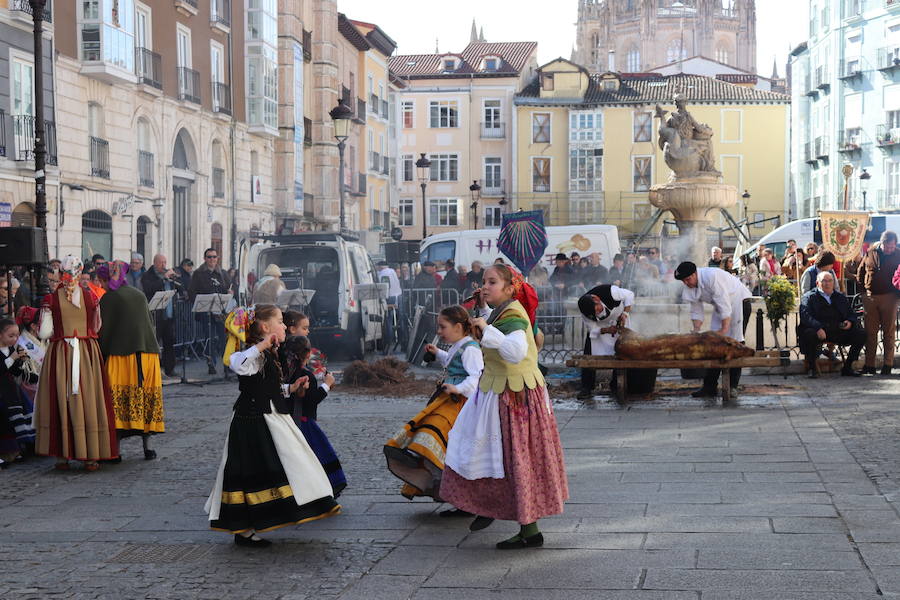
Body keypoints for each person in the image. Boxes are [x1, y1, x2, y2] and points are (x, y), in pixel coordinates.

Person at [441, 264, 568, 549]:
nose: (485, 286)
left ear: (510, 288)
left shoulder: (514, 313)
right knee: (499, 458)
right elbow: (497, 328)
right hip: (500, 393)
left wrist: (485, 327)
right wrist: (485, 312)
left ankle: (526, 528)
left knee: (515, 461)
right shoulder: (502, 311)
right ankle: (509, 519)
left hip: (515, 397)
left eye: (492, 282)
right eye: (484, 281)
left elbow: (515, 351)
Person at [204, 304, 340, 547]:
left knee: (291, 461)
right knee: (251, 473)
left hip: (268, 416)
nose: (284, 325)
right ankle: (245, 529)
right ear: (266, 327)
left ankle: (267, 518)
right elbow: (236, 364)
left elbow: (267, 388)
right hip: (251, 421)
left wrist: (292, 388)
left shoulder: (268, 354)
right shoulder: (253, 352)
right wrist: (262, 345)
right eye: (279, 321)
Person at [384, 305, 483, 503]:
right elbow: (452, 361)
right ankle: (433, 472)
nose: (439, 331)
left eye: (442, 327)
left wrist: (458, 389)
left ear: (457, 327)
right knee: (433, 432)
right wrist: (438, 353)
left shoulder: (471, 349)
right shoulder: (459, 345)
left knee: (434, 430)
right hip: (448, 399)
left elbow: (475, 377)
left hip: (459, 404)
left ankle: (434, 469)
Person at [33, 255, 119, 471]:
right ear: (80, 272)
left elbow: (45, 331)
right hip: (86, 352)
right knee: (88, 398)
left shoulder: (51, 299)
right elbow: (96, 327)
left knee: (61, 398)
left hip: (61, 352)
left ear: (61, 272)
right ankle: (90, 456)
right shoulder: (91, 297)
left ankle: (63, 457)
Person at [97, 261, 165, 460]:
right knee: (144, 399)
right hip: (147, 356)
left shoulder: (109, 298)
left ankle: (115, 450)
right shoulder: (138, 294)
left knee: (117, 401)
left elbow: (104, 331)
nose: (100, 285)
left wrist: (99, 354)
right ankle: (148, 447)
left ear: (107, 279)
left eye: (101, 281)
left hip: (122, 356)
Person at [674, 261, 752, 400]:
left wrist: (724, 330)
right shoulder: (690, 285)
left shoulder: (712, 276)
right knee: (713, 345)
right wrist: (696, 330)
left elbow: (724, 303)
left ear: (694, 274)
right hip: (721, 307)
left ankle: (732, 386)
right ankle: (709, 387)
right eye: (683, 281)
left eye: (687, 279)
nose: (686, 283)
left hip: (738, 302)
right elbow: (696, 309)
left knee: (734, 342)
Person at [280, 335, 345, 497]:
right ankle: (324, 488)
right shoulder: (305, 374)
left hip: (288, 421)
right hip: (305, 422)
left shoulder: (285, 371)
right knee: (319, 454)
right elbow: (312, 401)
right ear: (308, 354)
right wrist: (327, 384)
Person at [799, 271, 865, 379]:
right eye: (824, 281)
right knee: (809, 334)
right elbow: (806, 315)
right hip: (820, 331)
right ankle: (812, 368)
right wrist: (818, 327)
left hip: (837, 329)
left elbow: (851, 313)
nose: (827, 283)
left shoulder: (839, 297)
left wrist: (850, 321)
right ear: (817, 283)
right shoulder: (809, 297)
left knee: (861, 334)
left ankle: (848, 367)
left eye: (830, 281)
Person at [577, 284, 634, 399]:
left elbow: (629, 295)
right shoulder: (586, 312)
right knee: (589, 355)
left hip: (618, 318)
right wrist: (606, 330)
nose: (598, 313)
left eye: (597, 309)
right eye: (595, 313)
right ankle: (586, 387)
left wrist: (625, 313)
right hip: (600, 328)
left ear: (596, 299)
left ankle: (615, 385)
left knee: (621, 353)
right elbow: (592, 329)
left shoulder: (610, 291)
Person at [861, 231, 900, 376]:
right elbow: (861, 272)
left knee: (889, 332)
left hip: (890, 297)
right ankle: (869, 365)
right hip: (871, 297)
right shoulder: (871, 252)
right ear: (881, 243)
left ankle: (887, 365)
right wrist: (863, 292)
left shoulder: (898, 254)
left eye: (892, 247)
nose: (890, 249)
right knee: (870, 333)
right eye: (887, 246)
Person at [0, 317, 36, 466]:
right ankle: (10, 451)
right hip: (2, 391)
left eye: (16, 335)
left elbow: (14, 372)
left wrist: (20, 361)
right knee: (8, 417)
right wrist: (13, 357)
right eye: (11, 336)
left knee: (23, 411)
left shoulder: (10, 349)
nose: (14, 339)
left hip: (12, 390)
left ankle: (23, 446)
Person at [189, 248, 231, 375]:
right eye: (209, 257)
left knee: (223, 340)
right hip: (206, 313)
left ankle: (226, 365)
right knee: (210, 340)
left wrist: (229, 294)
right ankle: (211, 364)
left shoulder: (223, 273)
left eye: (214, 257)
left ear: (217, 258)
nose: (212, 259)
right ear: (205, 259)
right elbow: (191, 292)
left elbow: (228, 288)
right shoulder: (198, 273)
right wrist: (201, 302)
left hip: (220, 312)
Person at [141, 254, 179, 377]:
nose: (164, 265)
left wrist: (175, 278)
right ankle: (155, 370)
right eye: (161, 262)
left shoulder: (168, 275)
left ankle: (170, 369)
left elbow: (180, 287)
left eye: (165, 262)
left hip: (169, 314)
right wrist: (163, 279)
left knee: (169, 343)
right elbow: (149, 288)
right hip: (156, 316)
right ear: (155, 262)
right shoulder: (148, 275)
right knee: (155, 343)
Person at [15, 306, 46, 404]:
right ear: (33, 326)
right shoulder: (22, 344)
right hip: (30, 386)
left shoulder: (45, 340)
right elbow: (26, 376)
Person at [377, 261, 402, 354]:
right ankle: (395, 342)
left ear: (380, 267)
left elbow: (385, 287)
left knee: (387, 321)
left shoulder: (383, 274)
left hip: (388, 297)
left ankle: (388, 344)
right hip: (397, 296)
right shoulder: (392, 271)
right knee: (393, 320)